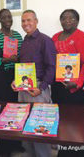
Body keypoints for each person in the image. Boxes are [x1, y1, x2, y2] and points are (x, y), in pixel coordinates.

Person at [11, 10, 56, 157]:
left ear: (36, 21)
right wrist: (16, 80)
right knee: (25, 124)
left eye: (29, 20)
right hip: (23, 89)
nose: (26, 24)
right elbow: (23, 67)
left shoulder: (45, 40)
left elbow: (52, 67)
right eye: (23, 21)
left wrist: (41, 88)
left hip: (38, 90)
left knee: (38, 127)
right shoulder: (24, 41)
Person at [51, 9, 84, 157]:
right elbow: (52, 60)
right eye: (64, 18)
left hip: (76, 90)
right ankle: (63, 153)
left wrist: (78, 83)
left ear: (77, 20)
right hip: (58, 88)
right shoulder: (55, 37)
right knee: (62, 123)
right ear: (60, 20)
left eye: (72, 18)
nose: (67, 20)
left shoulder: (83, 38)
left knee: (77, 125)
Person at [0, 9, 23, 156]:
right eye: (4, 17)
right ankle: (4, 148)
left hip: (16, 77)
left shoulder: (18, 36)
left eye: (9, 16)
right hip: (0, 79)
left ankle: (15, 143)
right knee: (4, 113)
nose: (7, 19)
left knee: (17, 111)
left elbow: (22, 55)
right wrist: (7, 59)